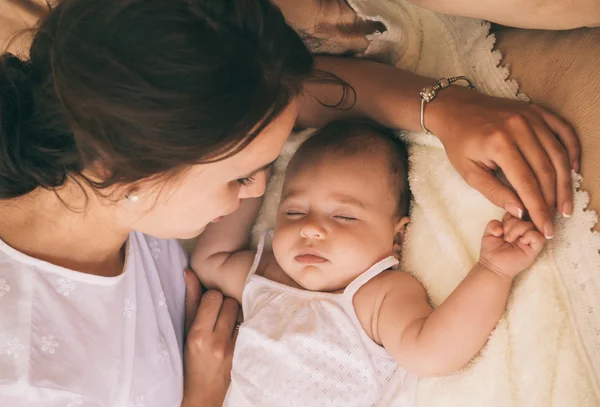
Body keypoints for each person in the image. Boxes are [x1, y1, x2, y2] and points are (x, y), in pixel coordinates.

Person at [0, 0, 577, 406]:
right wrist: (202, 397)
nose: (261, 194)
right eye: (241, 176)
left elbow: (291, 97)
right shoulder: (37, 380)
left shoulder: (105, 153)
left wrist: (443, 110)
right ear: (126, 171)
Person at [191, 120, 546, 406]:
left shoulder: (375, 297)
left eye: (344, 217)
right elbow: (210, 260)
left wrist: (494, 271)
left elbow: (430, 353)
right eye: (294, 212)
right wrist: (253, 172)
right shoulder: (265, 275)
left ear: (398, 238)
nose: (311, 229)